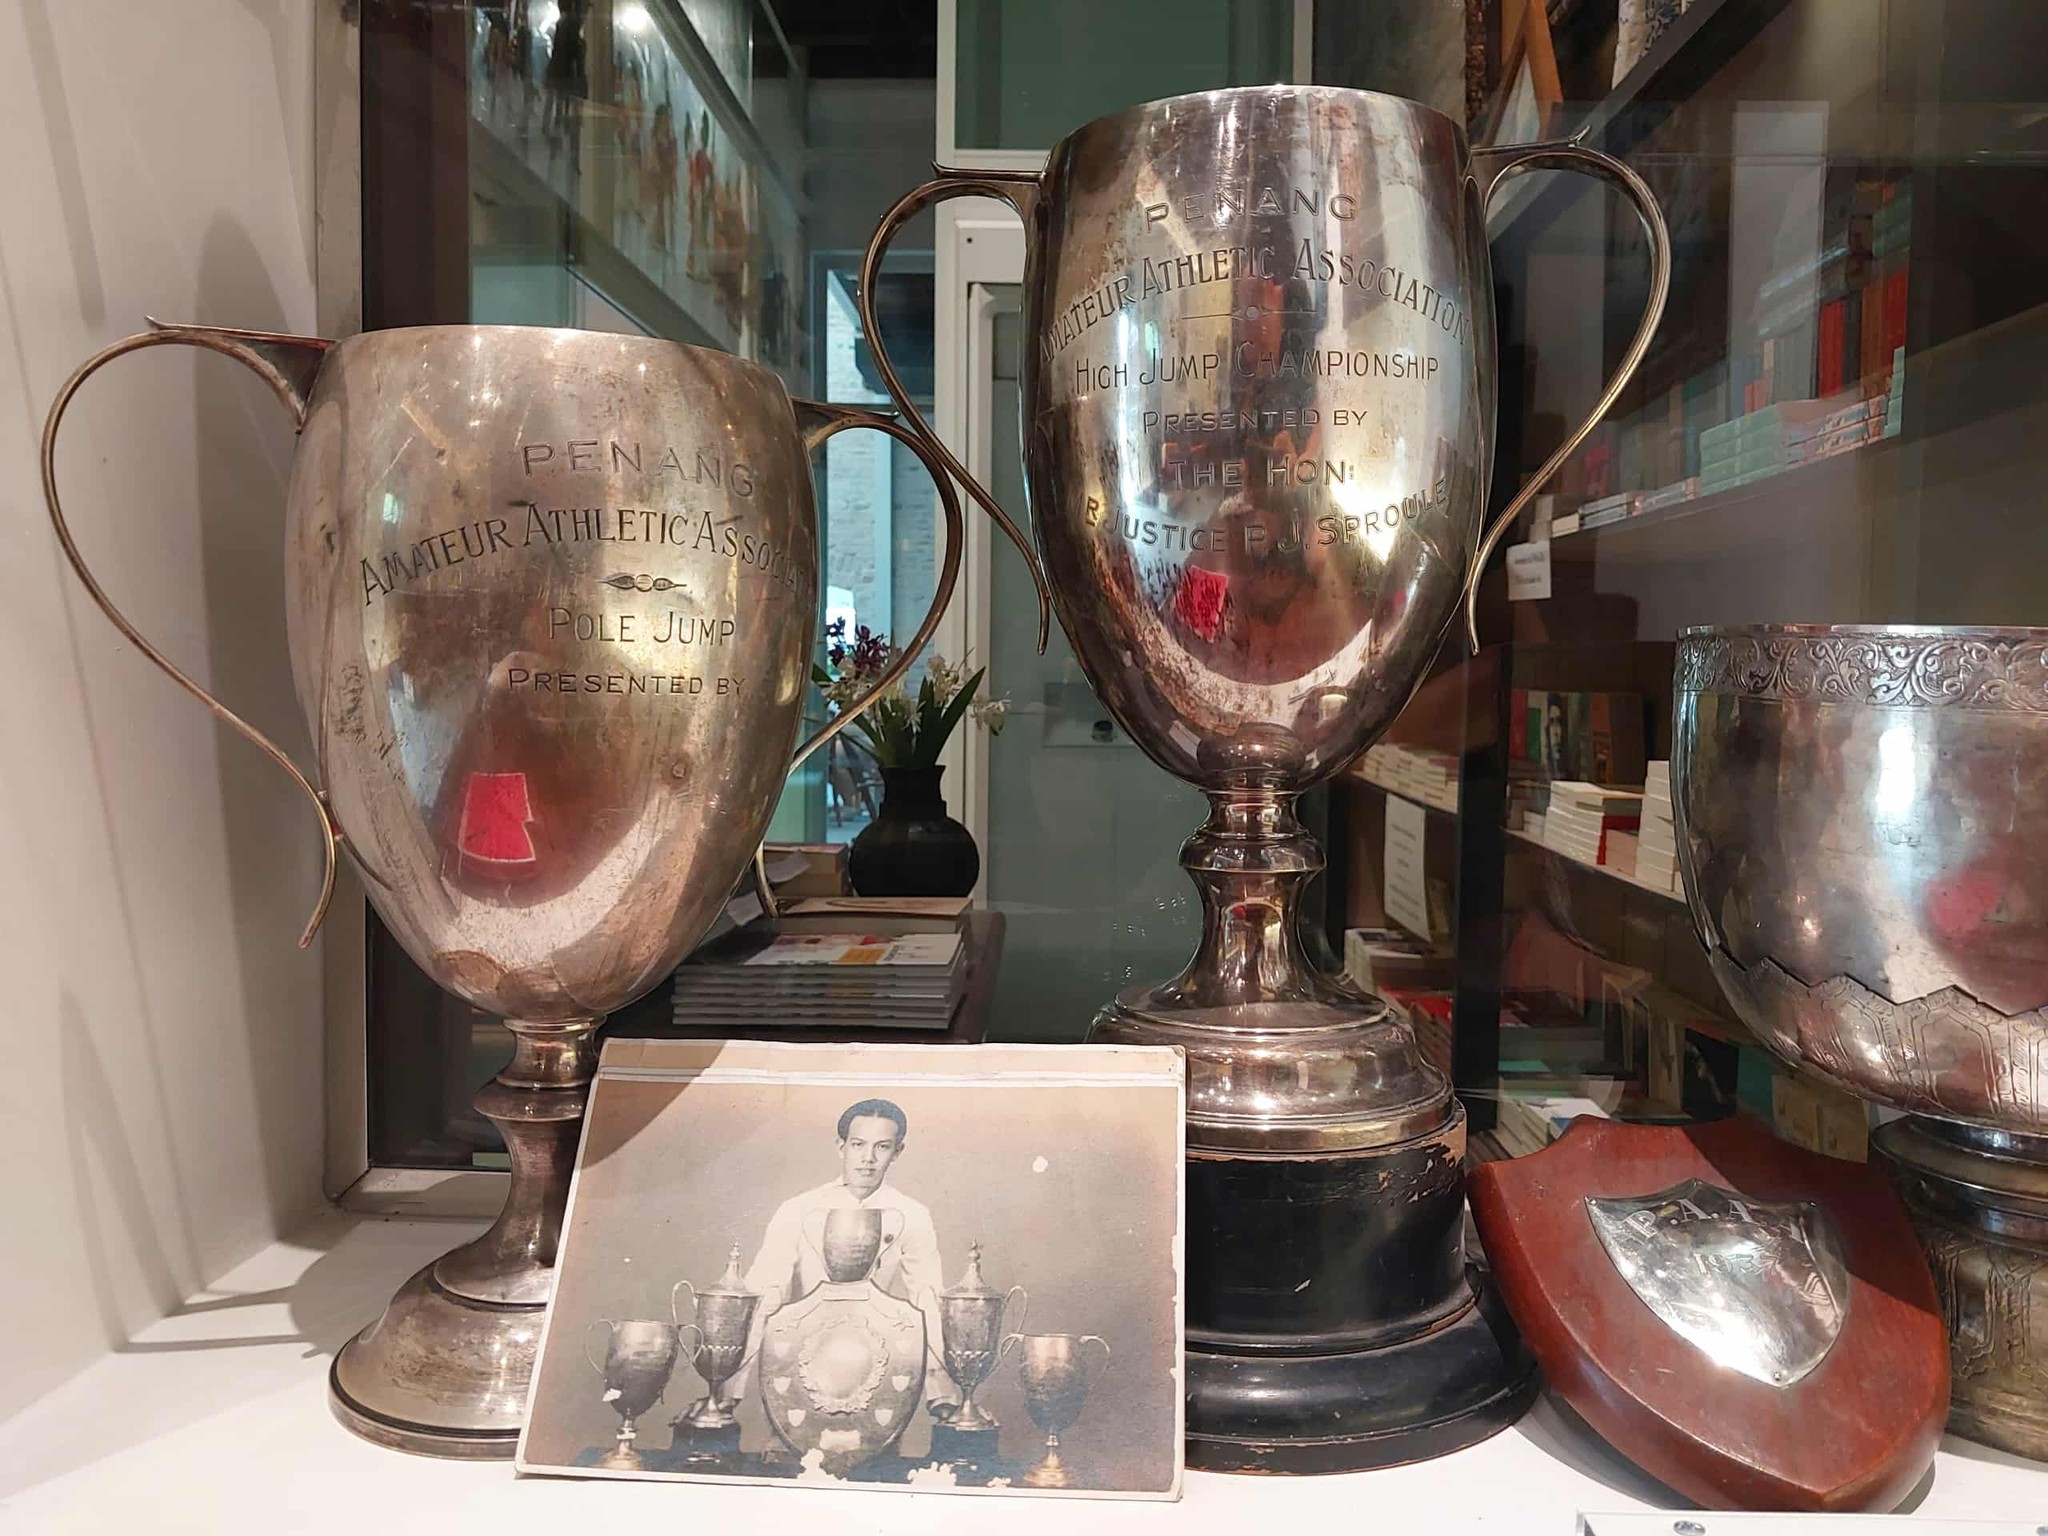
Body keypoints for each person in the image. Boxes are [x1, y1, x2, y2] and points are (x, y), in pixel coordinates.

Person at [726, 1098, 959, 1419]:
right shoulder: (798, 1209)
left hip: (878, 1363)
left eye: (882, 1147)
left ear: (897, 1152)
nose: (868, 1158)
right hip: (801, 1361)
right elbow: (765, 1294)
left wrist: (942, 1394)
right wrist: (727, 1392)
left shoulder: (913, 1214)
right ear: (841, 1146)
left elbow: (927, 1300)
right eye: (858, 1144)